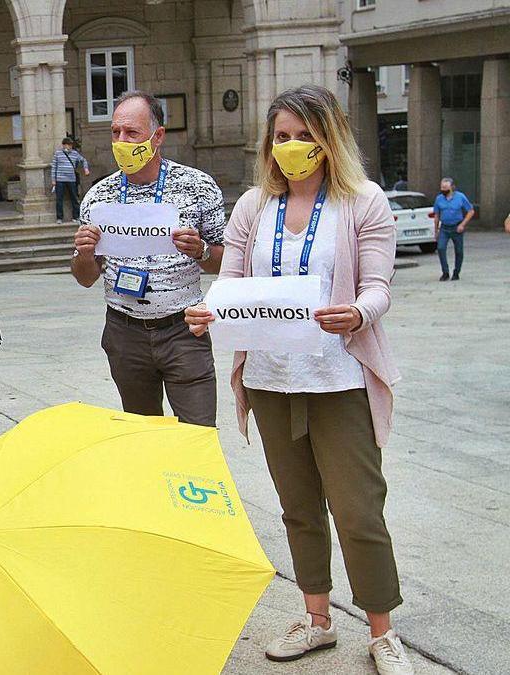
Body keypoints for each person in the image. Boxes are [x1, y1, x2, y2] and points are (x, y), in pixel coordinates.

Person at [184, 84, 413, 675]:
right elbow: (230, 284)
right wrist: (207, 311)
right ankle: (316, 620)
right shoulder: (252, 207)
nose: (291, 147)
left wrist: (360, 312)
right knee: (298, 509)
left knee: (359, 509)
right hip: (270, 379)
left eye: (304, 136)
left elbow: (379, 284)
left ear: (329, 138)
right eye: (281, 137)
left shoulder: (362, 202)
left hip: (338, 379)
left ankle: (383, 630)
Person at [70, 90, 224, 427]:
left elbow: (225, 261)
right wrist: (85, 252)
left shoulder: (197, 186)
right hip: (125, 332)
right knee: (142, 437)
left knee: (197, 434)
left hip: (183, 329)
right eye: (115, 132)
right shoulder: (100, 196)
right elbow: (84, 276)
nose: (121, 141)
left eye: (132, 133)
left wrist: (201, 251)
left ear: (158, 137)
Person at [432, 177, 473, 281]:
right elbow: (436, 215)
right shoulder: (439, 199)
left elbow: (470, 211)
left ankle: (456, 272)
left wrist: (463, 224)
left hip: (457, 226)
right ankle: (445, 272)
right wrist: (436, 230)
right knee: (441, 248)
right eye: (442, 187)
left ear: (452, 187)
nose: (443, 189)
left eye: (445, 187)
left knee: (459, 251)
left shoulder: (460, 197)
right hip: (444, 227)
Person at [51, 137, 91, 223]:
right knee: (59, 199)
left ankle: (75, 216)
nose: (69, 147)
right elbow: (54, 167)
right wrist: (53, 180)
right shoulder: (58, 154)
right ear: (64, 145)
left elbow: (83, 160)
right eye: (68, 145)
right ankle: (59, 217)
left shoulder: (75, 154)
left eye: (70, 145)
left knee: (74, 197)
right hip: (60, 179)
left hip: (71, 179)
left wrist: (86, 169)